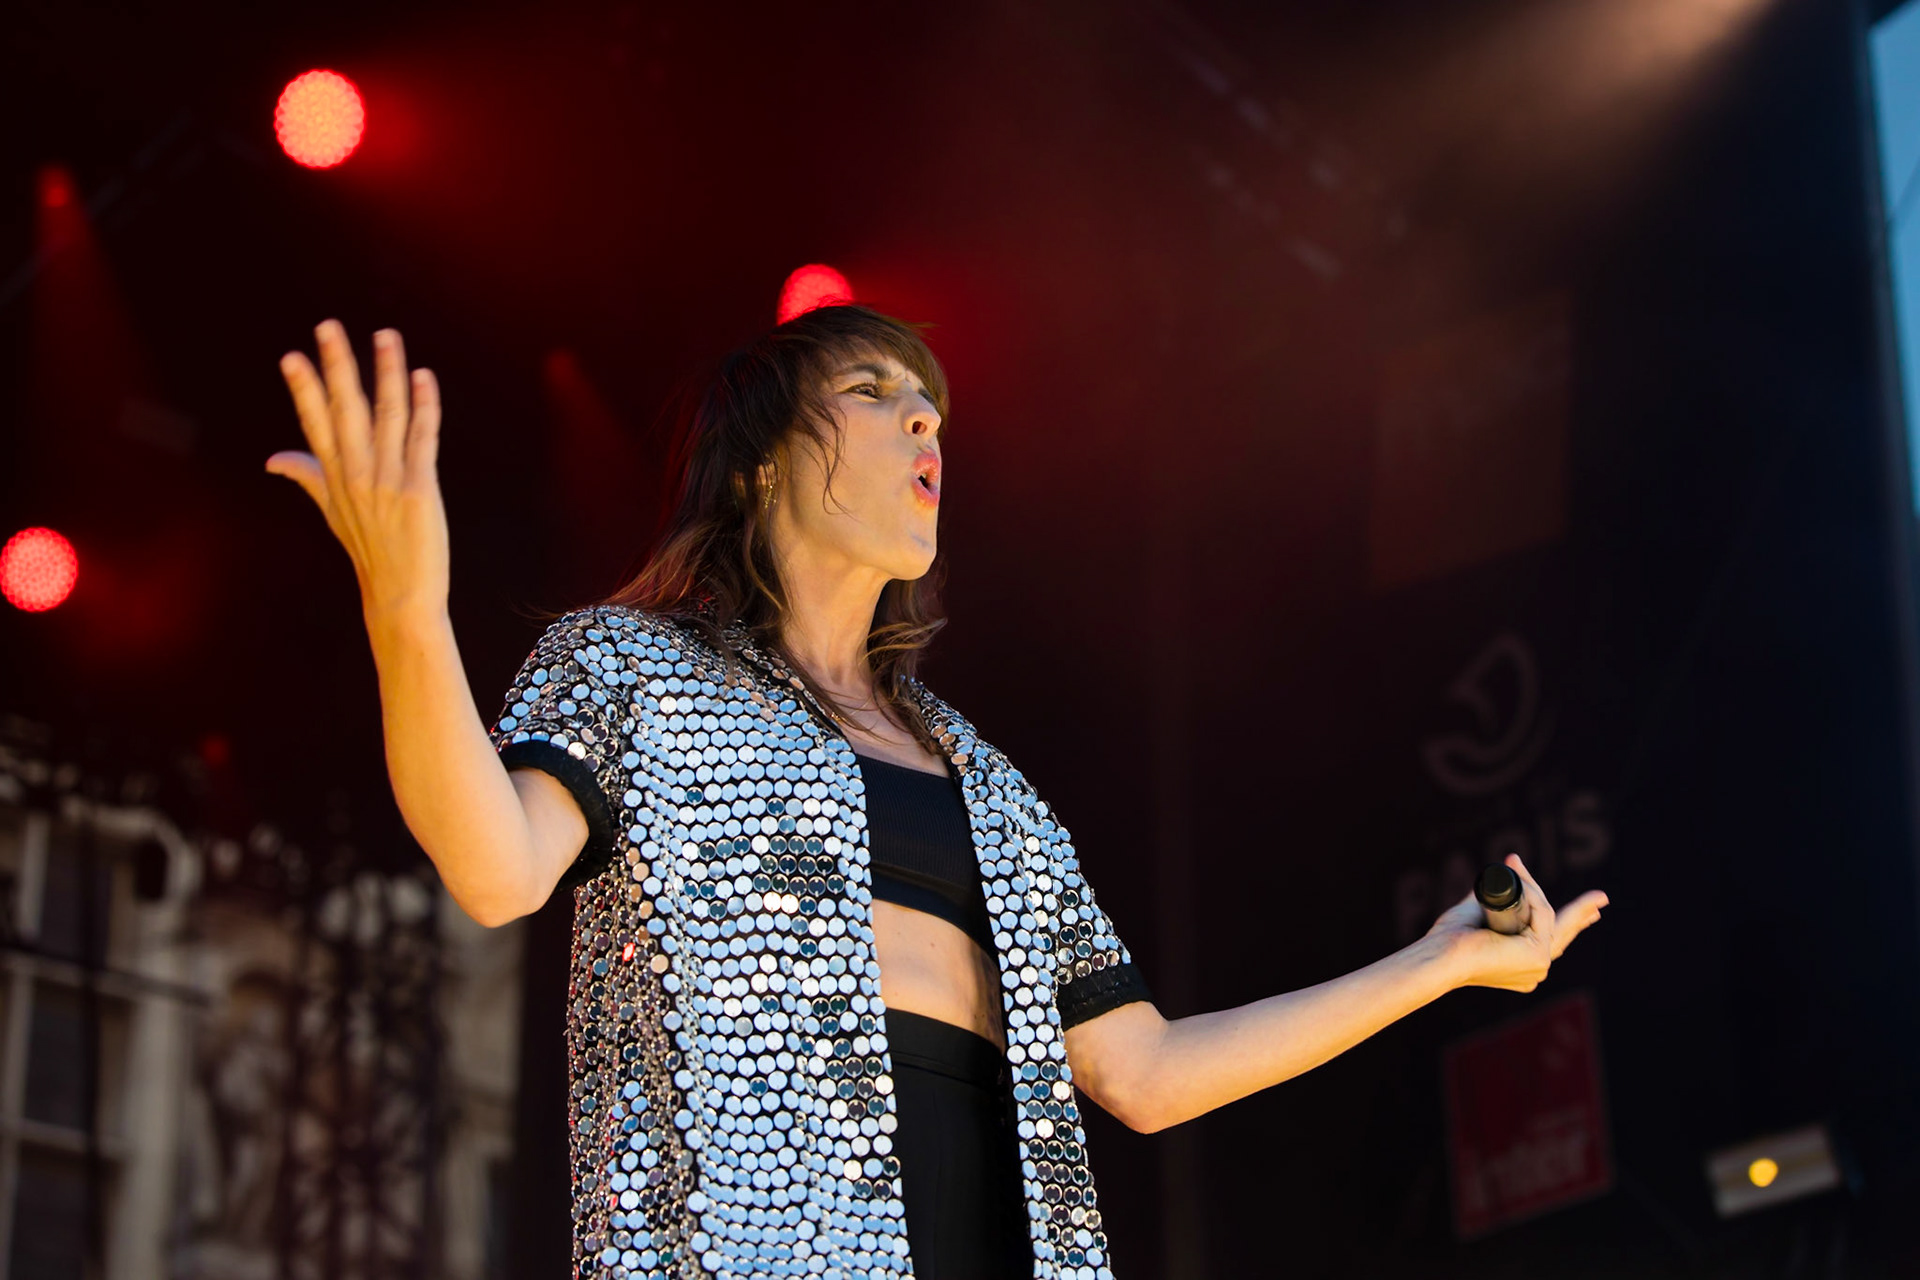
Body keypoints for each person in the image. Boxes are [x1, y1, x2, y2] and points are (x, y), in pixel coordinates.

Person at [267, 305, 1608, 1280]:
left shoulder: (993, 787)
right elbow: (496, 869)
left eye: (935, 408)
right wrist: (405, 609)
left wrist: (1433, 969)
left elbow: (1139, 1070)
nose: (925, 421)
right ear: (762, 460)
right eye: (874, 388)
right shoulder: (633, 670)